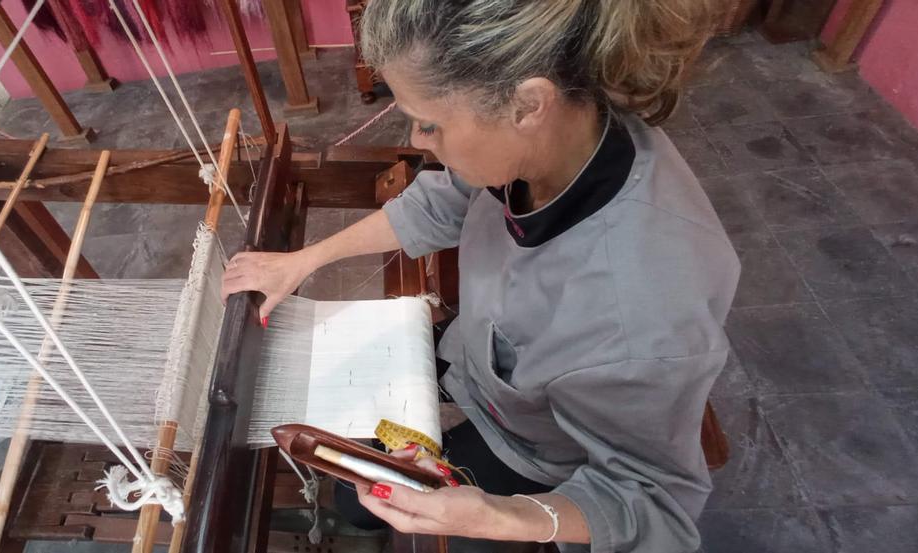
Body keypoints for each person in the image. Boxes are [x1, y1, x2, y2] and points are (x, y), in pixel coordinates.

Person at [221, 0, 739, 551]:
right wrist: (304, 260)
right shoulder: (563, 129)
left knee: (354, 499)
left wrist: (496, 518)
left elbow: (653, 504)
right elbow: (441, 203)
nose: (419, 141)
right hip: (485, 356)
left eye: (429, 123)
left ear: (527, 105)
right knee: (343, 436)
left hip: (536, 445)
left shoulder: (635, 319)